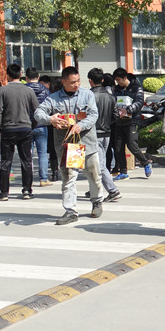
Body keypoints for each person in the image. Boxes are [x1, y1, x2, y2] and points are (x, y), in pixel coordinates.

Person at [34, 66, 104, 225]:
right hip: (67, 147)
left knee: (94, 175)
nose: (76, 84)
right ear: (64, 82)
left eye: (78, 81)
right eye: (73, 82)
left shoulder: (87, 95)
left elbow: (93, 115)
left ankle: (97, 201)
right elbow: (38, 113)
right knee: (68, 179)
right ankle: (71, 211)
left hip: (87, 144)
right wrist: (51, 119)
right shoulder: (53, 98)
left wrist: (80, 125)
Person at [0, 63, 38, 201]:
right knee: (26, 161)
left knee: (5, 161)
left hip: (8, 129)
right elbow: (37, 110)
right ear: (21, 75)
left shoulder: (2, 90)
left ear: (7, 75)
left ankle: (4, 193)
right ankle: (27, 190)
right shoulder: (28, 91)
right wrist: (32, 125)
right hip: (25, 128)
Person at [111, 68, 152, 180]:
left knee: (132, 145)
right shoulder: (116, 89)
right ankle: (123, 171)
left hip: (132, 121)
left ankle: (146, 163)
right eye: (116, 80)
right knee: (118, 147)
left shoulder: (136, 88)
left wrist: (128, 110)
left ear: (125, 78)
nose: (118, 82)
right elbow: (114, 102)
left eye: (119, 80)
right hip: (119, 121)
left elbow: (139, 102)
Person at [88, 68, 122, 203]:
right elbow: (116, 116)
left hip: (93, 133)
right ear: (102, 80)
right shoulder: (110, 96)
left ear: (90, 81)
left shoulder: (88, 96)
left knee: (99, 164)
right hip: (106, 133)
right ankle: (94, 188)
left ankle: (113, 191)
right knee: (98, 162)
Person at [25, 67, 52, 187]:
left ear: (26, 77)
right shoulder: (45, 91)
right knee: (42, 153)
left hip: (26, 125)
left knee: (27, 154)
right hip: (41, 124)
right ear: (38, 76)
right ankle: (43, 179)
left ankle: (28, 179)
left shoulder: (23, 90)